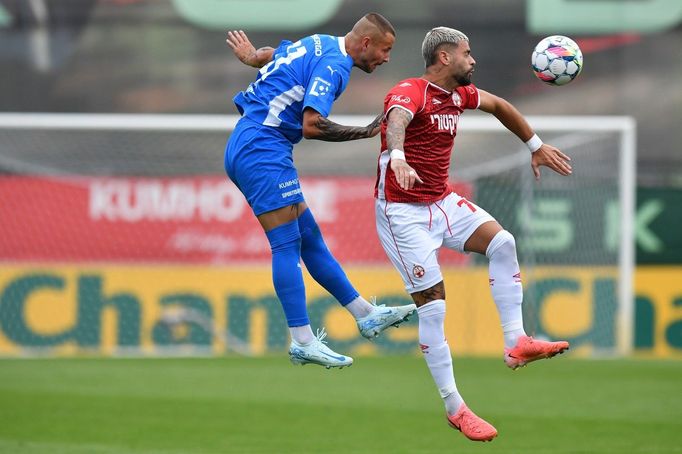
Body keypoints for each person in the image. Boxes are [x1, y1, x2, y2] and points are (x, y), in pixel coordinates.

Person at [374, 27, 571, 441]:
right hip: (402, 214)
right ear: (444, 57)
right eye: (467, 53)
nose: (473, 60)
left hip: (441, 202)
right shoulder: (410, 91)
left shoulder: (459, 95)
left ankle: (516, 341)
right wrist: (397, 157)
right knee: (434, 309)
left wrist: (534, 145)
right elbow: (397, 120)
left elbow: (499, 105)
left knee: (503, 242)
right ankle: (455, 407)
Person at [224, 13, 416, 370]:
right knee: (284, 243)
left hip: (256, 143)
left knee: (308, 236)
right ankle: (302, 340)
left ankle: (365, 313)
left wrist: (252, 57)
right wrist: (365, 132)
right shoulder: (335, 65)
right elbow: (312, 126)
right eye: (385, 50)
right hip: (261, 148)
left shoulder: (318, 41)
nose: (386, 58)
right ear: (365, 44)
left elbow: (274, 53)